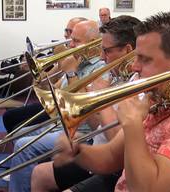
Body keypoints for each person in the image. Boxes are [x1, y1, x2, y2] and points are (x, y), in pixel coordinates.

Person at [48, 11, 170, 192]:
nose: (134, 66)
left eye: (145, 59)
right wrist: (77, 151)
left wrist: (133, 124)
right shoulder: (157, 98)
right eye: (136, 57)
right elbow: (112, 156)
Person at [31, 15, 141, 192]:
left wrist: (100, 97)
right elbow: (59, 94)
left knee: (30, 153)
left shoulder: (132, 83)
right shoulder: (118, 76)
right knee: (39, 169)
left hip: (109, 161)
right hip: (95, 144)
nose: (102, 57)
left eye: (106, 51)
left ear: (127, 50)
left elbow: (114, 140)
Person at [8, 20, 106, 192]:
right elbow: (49, 91)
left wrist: (70, 72)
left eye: (76, 41)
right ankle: (24, 174)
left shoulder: (100, 68)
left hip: (80, 130)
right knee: (18, 133)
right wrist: (49, 72)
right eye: (71, 38)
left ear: (92, 43)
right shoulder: (78, 62)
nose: (70, 44)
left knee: (22, 145)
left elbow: (84, 108)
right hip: (59, 121)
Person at [2, 17, 87, 133]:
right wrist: (38, 69)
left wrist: (68, 68)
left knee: (15, 123)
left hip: (64, 111)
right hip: (53, 105)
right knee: (9, 117)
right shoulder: (68, 58)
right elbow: (45, 86)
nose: (65, 35)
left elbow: (74, 100)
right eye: (65, 31)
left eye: (69, 32)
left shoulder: (80, 62)